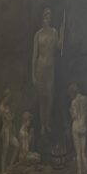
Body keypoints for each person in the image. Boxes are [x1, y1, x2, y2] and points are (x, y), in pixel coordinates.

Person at [31, 7, 60, 136]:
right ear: (42, 19)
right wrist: (33, 74)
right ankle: (43, 125)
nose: (47, 19)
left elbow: (59, 47)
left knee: (50, 96)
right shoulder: (38, 34)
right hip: (40, 68)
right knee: (42, 98)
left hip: (50, 68)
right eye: (45, 17)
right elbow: (34, 56)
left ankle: (47, 123)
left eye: (49, 17)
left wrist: (62, 34)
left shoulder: (54, 32)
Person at [68, 83, 87, 174]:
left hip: (75, 127)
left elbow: (74, 117)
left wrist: (71, 111)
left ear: (72, 92)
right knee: (83, 151)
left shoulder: (73, 102)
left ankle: (79, 173)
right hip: (83, 127)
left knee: (78, 152)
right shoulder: (86, 99)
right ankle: (86, 171)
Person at [0, 88, 19, 174]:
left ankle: (10, 166)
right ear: (4, 97)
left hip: (10, 130)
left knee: (17, 146)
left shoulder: (7, 106)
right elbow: (8, 120)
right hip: (5, 130)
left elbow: (10, 119)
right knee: (5, 150)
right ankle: (3, 170)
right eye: (8, 98)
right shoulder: (1, 108)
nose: (9, 100)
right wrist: (13, 115)